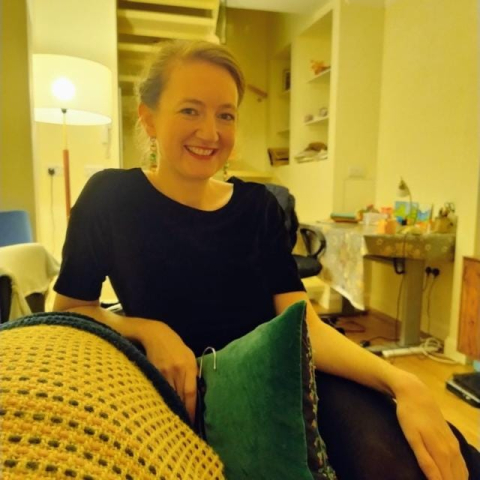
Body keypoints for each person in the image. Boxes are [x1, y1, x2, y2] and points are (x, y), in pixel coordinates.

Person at [53, 40, 478, 480]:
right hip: (204, 399)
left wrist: (402, 382)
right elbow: (70, 308)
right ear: (149, 118)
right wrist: (147, 330)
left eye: (226, 115)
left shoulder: (258, 207)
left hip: (290, 377)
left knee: (419, 459)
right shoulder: (110, 199)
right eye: (190, 110)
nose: (210, 133)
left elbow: (303, 323)